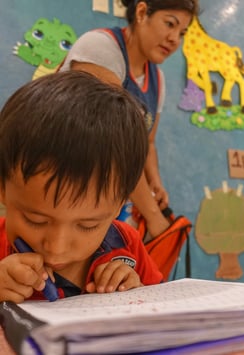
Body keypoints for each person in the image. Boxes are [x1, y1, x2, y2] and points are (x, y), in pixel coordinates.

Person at [0, 71, 163, 304]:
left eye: (88, 225)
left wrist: (137, 293)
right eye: (36, 220)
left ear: (119, 205)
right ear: (3, 189)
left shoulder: (126, 244)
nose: (57, 247)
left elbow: (160, 310)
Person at [59, 0, 200, 239]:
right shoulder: (100, 48)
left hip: (98, 199)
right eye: (170, 24)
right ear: (142, 12)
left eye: (182, 33)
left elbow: (147, 143)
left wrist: (155, 183)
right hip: (59, 188)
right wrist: (155, 218)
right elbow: (111, 147)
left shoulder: (158, 79)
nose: (175, 39)